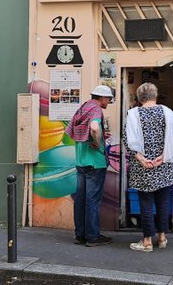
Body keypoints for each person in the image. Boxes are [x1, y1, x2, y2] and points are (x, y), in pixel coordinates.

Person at [124, 83, 173, 252]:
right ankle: (162, 237)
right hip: (163, 165)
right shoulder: (167, 112)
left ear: (139, 98)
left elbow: (127, 140)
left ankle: (147, 241)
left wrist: (141, 158)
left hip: (144, 167)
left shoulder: (133, 114)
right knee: (163, 201)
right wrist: (163, 157)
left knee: (146, 203)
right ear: (155, 96)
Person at [65, 85, 114, 247]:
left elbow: (85, 129)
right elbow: (93, 127)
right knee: (92, 200)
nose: (109, 102)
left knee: (80, 200)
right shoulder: (96, 110)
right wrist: (96, 140)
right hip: (94, 163)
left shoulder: (83, 107)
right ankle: (92, 237)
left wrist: (100, 134)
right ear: (102, 98)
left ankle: (80, 235)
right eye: (108, 99)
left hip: (80, 161)